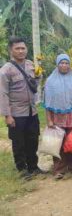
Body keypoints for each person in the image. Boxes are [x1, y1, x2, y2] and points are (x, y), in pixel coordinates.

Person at [0, 37, 44, 180]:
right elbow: (3, 93)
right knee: (19, 143)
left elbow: (35, 84)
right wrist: (7, 115)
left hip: (32, 111)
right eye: (17, 48)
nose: (20, 51)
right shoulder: (6, 70)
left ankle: (33, 167)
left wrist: (38, 75)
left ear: (26, 49)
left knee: (33, 140)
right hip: (16, 113)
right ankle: (22, 170)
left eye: (23, 48)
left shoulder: (31, 64)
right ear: (11, 50)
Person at [44, 54, 72, 180]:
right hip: (57, 117)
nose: (64, 65)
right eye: (61, 63)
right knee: (58, 143)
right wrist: (49, 119)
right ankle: (59, 169)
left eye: (66, 63)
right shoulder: (50, 81)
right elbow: (47, 102)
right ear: (57, 64)